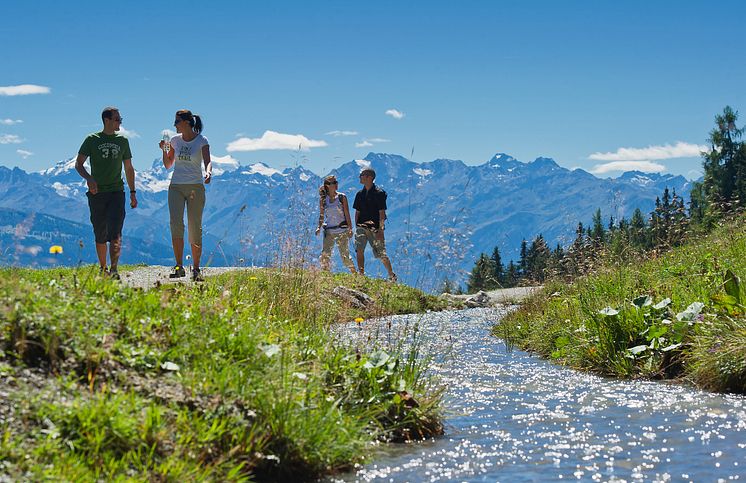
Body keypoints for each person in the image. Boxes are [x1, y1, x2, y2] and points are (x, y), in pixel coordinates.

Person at [75, 106, 137, 280]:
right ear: (107, 120)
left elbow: (129, 168)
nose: (120, 122)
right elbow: (78, 164)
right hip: (97, 192)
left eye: (120, 119)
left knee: (116, 232)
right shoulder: (91, 139)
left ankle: (115, 269)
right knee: (100, 231)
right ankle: (103, 268)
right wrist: (89, 178)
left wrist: (132, 192)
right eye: (117, 119)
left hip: (117, 191)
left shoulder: (123, 141)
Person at [159, 109, 212, 282]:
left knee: (194, 225)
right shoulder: (174, 141)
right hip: (175, 186)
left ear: (187, 123)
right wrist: (164, 150)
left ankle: (196, 268)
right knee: (176, 223)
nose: (174, 125)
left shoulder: (202, 141)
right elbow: (168, 164)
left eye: (177, 121)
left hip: (195, 187)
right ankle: (179, 266)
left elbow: (207, 161)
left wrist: (208, 173)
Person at [353, 168, 397, 281]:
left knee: (381, 253)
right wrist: (357, 226)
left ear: (369, 177)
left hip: (375, 229)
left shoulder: (379, 193)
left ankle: (391, 275)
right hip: (361, 227)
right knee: (359, 250)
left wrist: (380, 230)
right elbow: (357, 212)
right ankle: (361, 275)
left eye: (362, 175)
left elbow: (381, 213)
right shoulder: (359, 194)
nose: (360, 177)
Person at [316, 175, 356, 273]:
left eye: (336, 182)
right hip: (329, 231)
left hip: (342, 230)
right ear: (327, 186)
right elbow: (321, 215)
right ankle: (325, 274)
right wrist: (319, 227)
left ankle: (355, 274)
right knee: (325, 255)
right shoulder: (323, 199)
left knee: (345, 256)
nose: (336, 184)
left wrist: (350, 229)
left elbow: (347, 213)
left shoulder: (342, 197)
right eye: (333, 183)